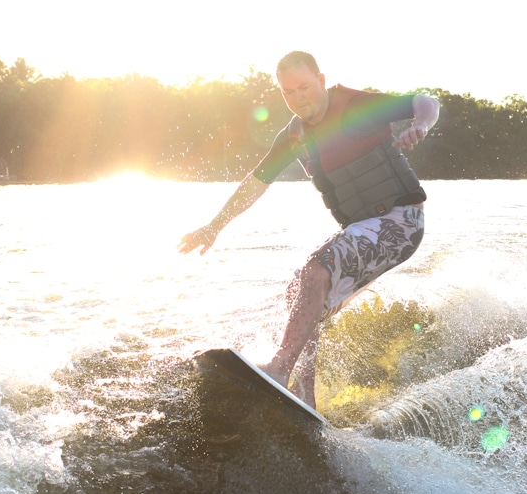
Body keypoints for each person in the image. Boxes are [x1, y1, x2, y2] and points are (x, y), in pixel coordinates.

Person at [179, 51, 440, 409]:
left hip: (401, 221)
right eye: (288, 92)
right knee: (301, 294)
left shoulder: (353, 107)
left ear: (320, 79)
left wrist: (421, 125)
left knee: (316, 271)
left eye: (304, 87)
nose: (298, 98)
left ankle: (279, 368)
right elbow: (256, 181)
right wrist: (215, 226)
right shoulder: (295, 135)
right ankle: (304, 395)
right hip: (365, 229)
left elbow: (424, 101)